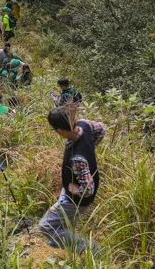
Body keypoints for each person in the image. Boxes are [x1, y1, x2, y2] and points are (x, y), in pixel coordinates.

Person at [38, 108, 104, 254]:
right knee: (63, 222)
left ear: (60, 130)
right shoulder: (84, 124)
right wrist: (91, 147)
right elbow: (101, 129)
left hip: (75, 200)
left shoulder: (78, 158)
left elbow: (88, 189)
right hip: (70, 191)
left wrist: (76, 190)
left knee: (46, 226)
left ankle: (90, 249)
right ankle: (62, 239)